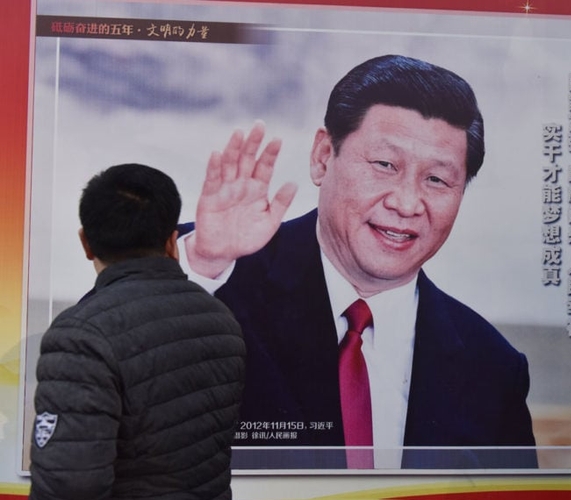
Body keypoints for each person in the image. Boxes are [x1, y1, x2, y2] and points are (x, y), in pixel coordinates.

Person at [181, 54, 537, 469]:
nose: (406, 204)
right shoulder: (214, 271)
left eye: (436, 179)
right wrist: (202, 264)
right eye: (385, 165)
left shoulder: (493, 368)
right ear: (322, 156)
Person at [29, 164, 246, 500]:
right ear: (172, 241)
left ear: (86, 243)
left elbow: (70, 487)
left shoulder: (80, 336)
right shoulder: (220, 319)